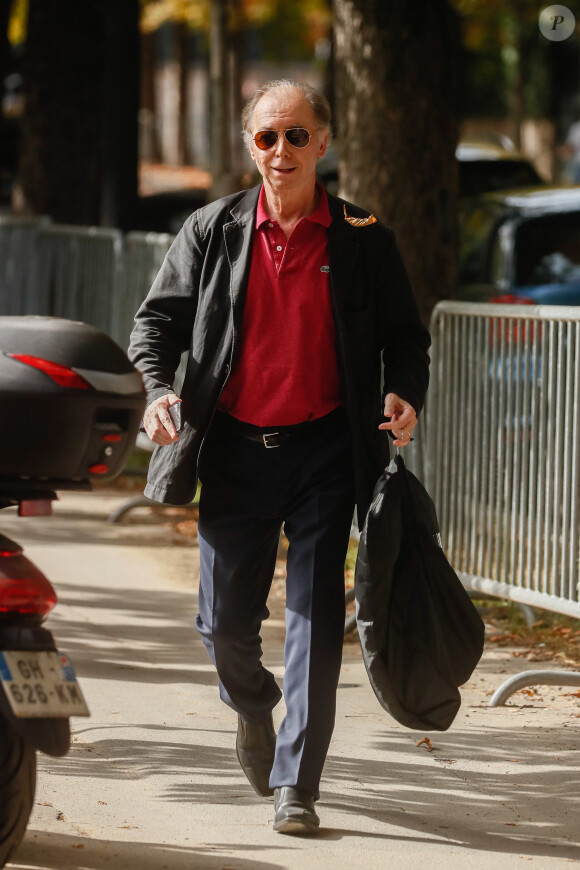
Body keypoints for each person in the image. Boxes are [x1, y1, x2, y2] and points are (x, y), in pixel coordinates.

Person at [129, 79, 430, 835]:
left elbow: (406, 336)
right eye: (266, 136)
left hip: (327, 450)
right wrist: (159, 391)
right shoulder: (214, 228)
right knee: (224, 625)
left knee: (314, 620)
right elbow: (155, 325)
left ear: (324, 144)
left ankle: (298, 783)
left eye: (296, 136)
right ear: (249, 145)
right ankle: (254, 708)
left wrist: (402, 392)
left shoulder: (362, 237)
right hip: (232, 447)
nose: (281, 150)